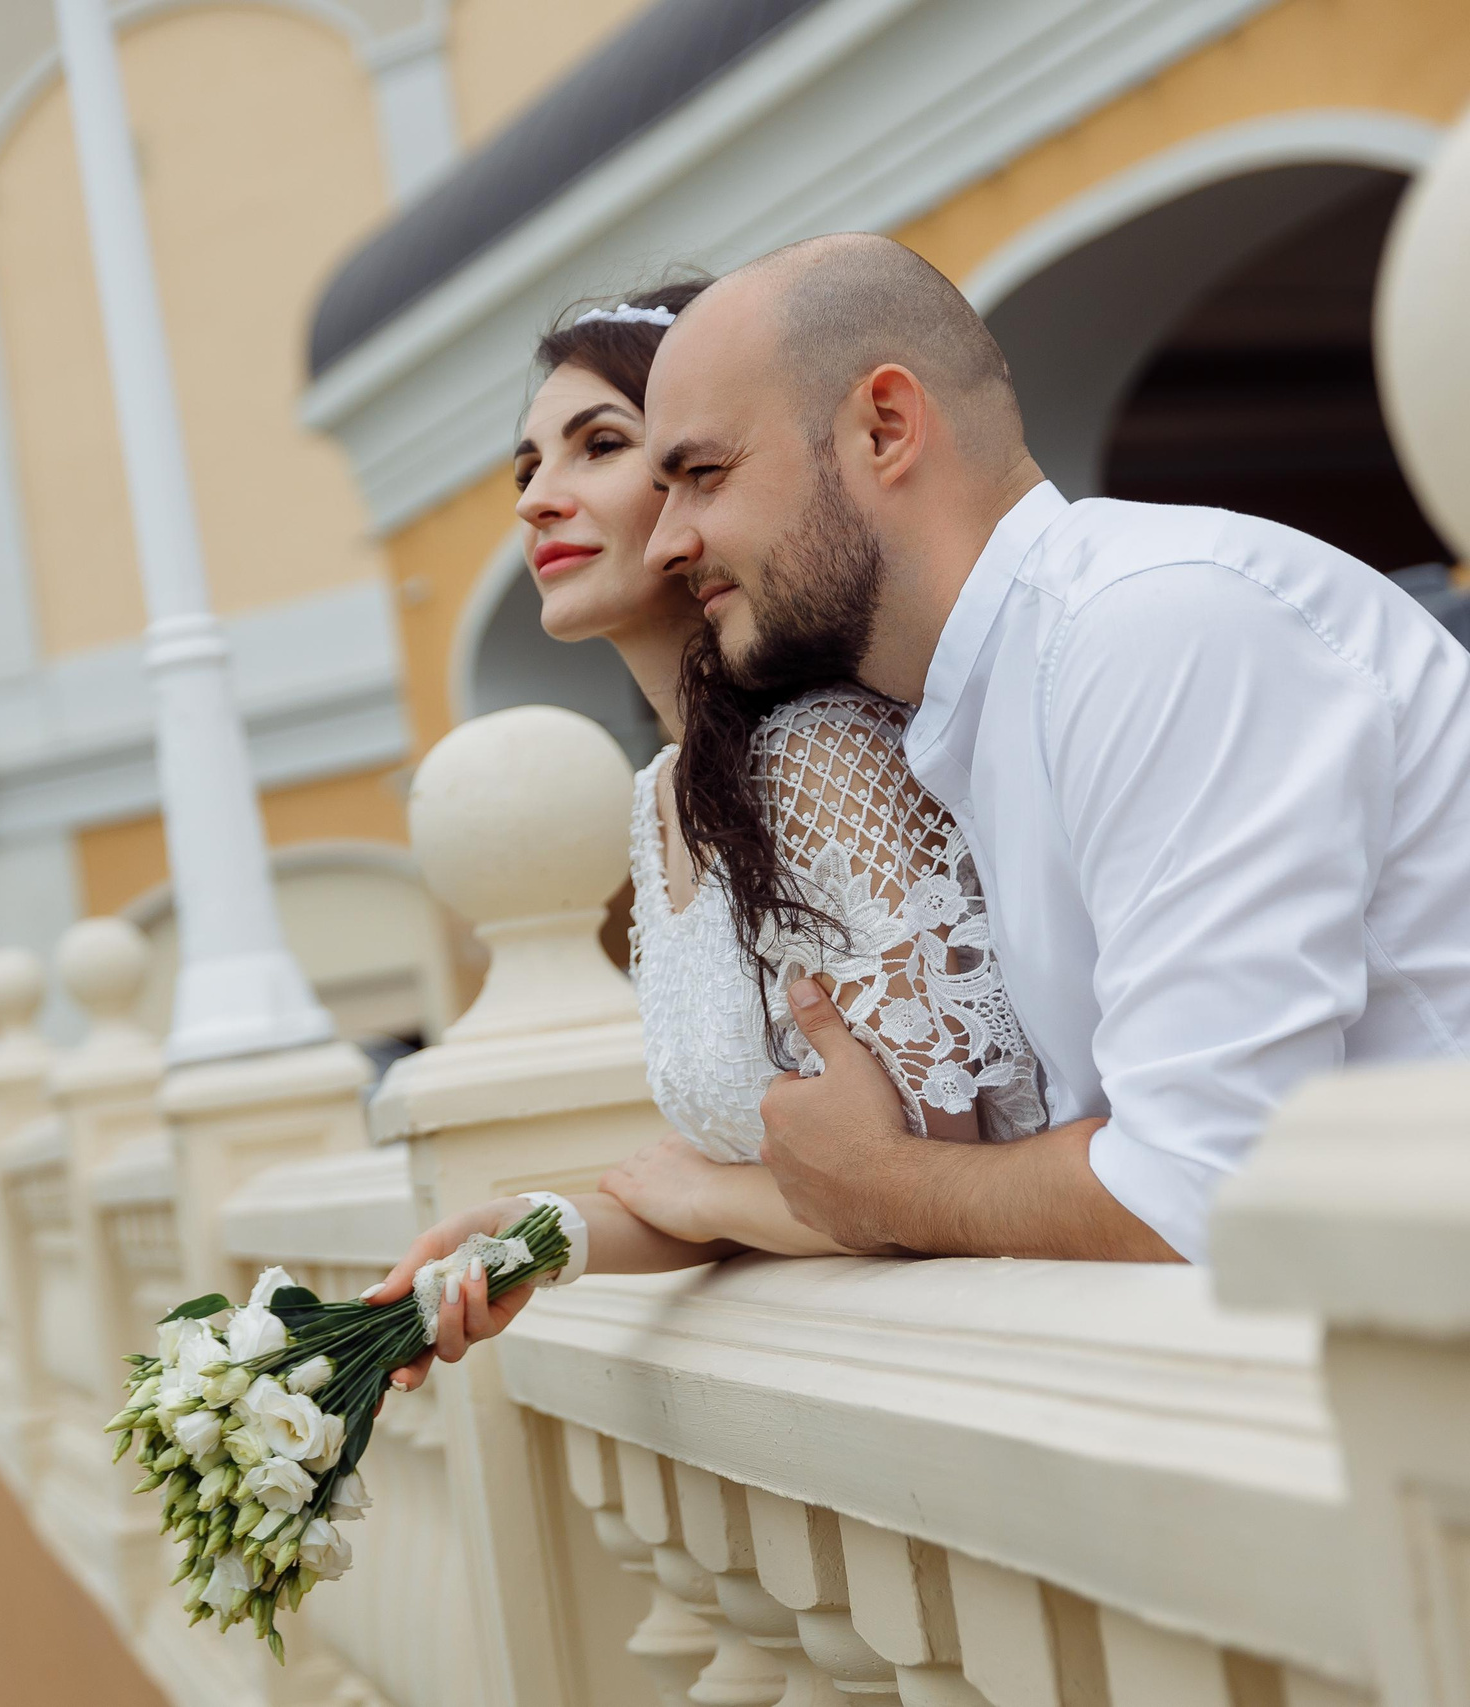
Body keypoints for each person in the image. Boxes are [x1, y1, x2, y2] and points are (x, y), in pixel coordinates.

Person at [635, 232, 1470, 1268]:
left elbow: (1213, 1192)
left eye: (703, 473)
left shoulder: (1152, 627)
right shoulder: (986, 701)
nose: (662, 542)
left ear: (884, 429)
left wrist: (879, 1186)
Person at [366, 279, 1049, 1386]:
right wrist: (537, 1234)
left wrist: (711, 1191)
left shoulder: (827, 755)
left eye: (598, 445)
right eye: (527, 467)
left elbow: (940, 1178)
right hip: (844, 1370)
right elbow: (777, 1184)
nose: (538, 498)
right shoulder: (659, 801)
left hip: (982, 1357)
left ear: (693, 478)